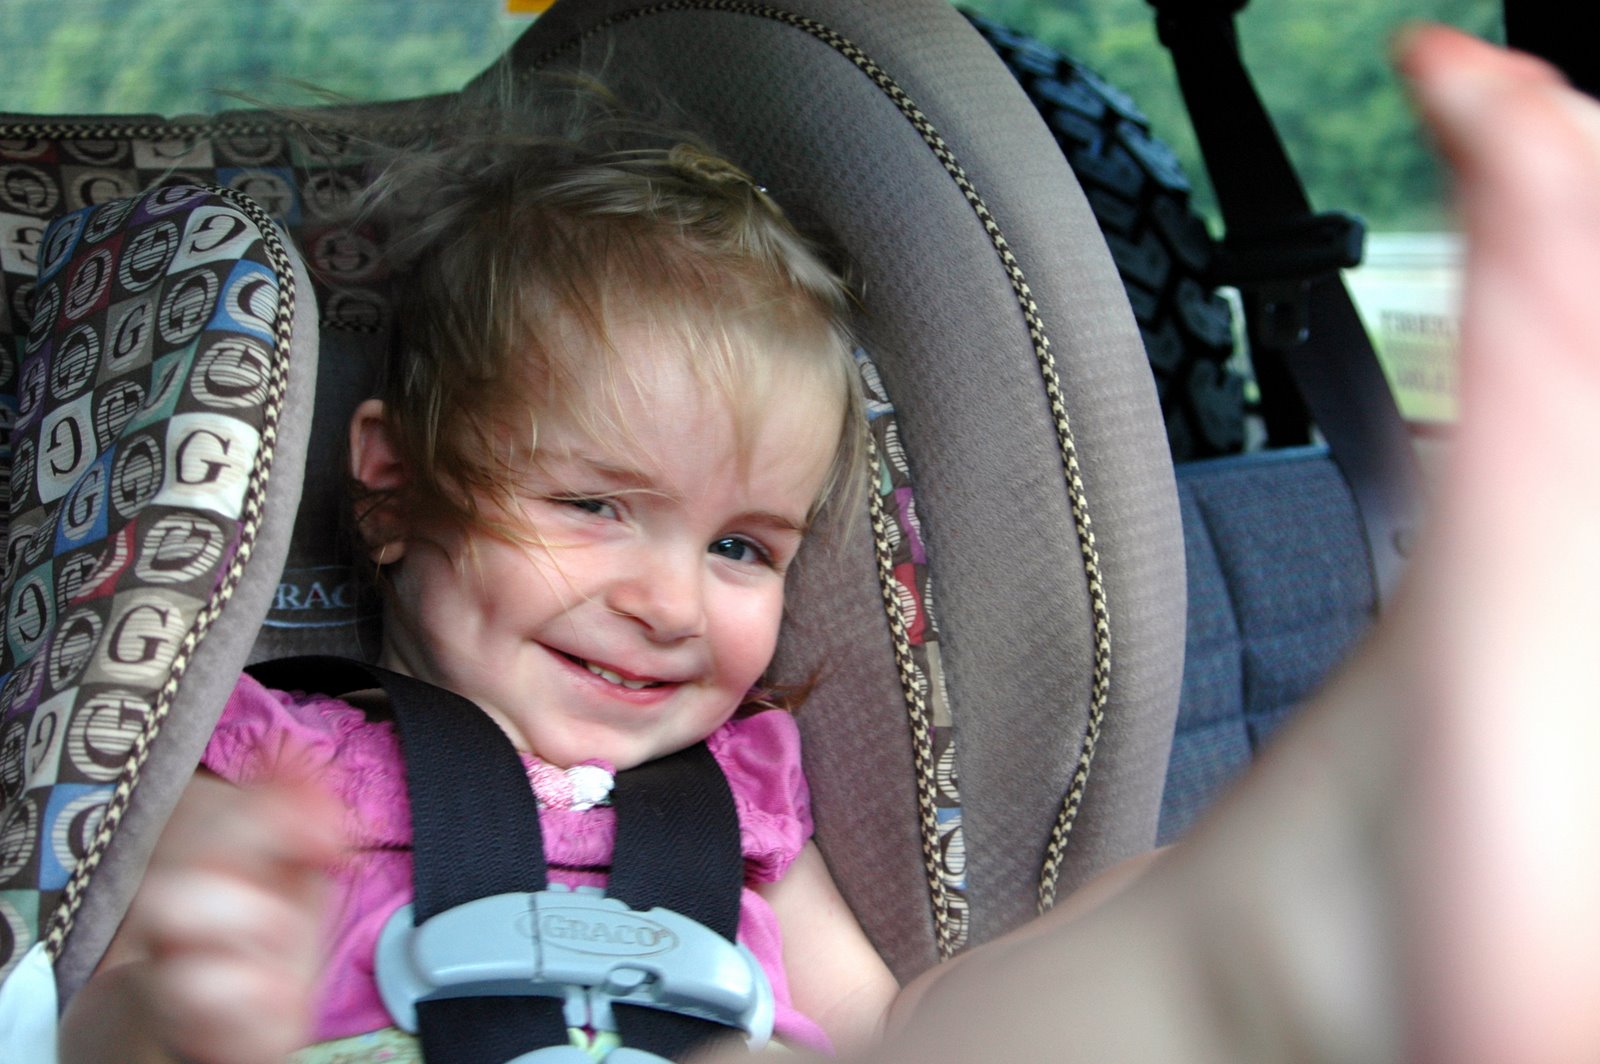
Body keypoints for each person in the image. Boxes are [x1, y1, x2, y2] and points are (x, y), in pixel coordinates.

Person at [51, 21, 1600, 1064]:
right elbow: (89, 1018)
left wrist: (1105, 918)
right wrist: (190, 1003)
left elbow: (880, 1028)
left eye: (742, 547)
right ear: (389, 485)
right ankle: (1293, 925)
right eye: (593, 506)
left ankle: (1276, 935)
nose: (669, 602)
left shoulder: (739, 799)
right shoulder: (274, 763)